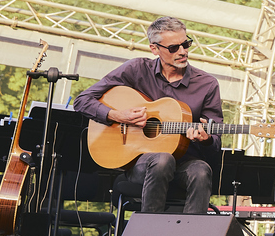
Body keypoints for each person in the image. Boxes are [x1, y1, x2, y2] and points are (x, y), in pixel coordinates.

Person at [75, 16, 221, 213]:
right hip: (139, 164)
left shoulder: (207, 84)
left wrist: (206, 139)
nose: (183, 52)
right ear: (154, 49)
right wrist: (118, 115)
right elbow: (82, 101)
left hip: (184, 164)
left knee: (201, 170)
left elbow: (216, 142)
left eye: (186, 44)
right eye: (173, 48)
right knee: (162, 159)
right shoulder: (136, 69)